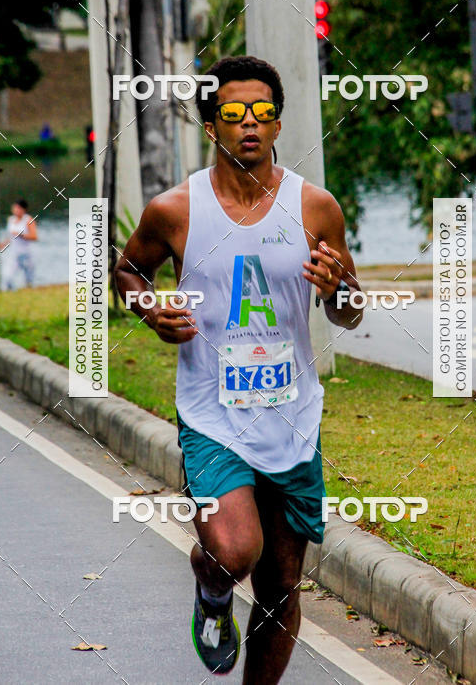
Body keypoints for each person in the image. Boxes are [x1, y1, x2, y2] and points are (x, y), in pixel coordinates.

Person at [115, 55, 362, 682]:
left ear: (278, 126)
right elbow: (126, 271)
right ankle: (213, 585)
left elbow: (351, 311)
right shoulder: (175, 210)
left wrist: (337, 289)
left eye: (262, 113)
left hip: (292, 417)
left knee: (281, 586)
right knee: (233, 549)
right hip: (213, 414)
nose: (249, 124)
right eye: (232, 114)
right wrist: (150, 308)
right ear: (211, 127)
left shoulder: (316, 209)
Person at [0, 199, 38, 289]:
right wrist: (3, 244)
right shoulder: (11, 220)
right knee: (7, 276)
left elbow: (34, 236)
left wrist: (21, 235)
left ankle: (28, 292)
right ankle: (10, 292)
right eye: (14, 208)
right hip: (14, 254)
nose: (15, 210)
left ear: (23, 209)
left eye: (18, 208)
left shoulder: (29, 220)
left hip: (27, 253)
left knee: (29, 279)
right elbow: (10, 236)